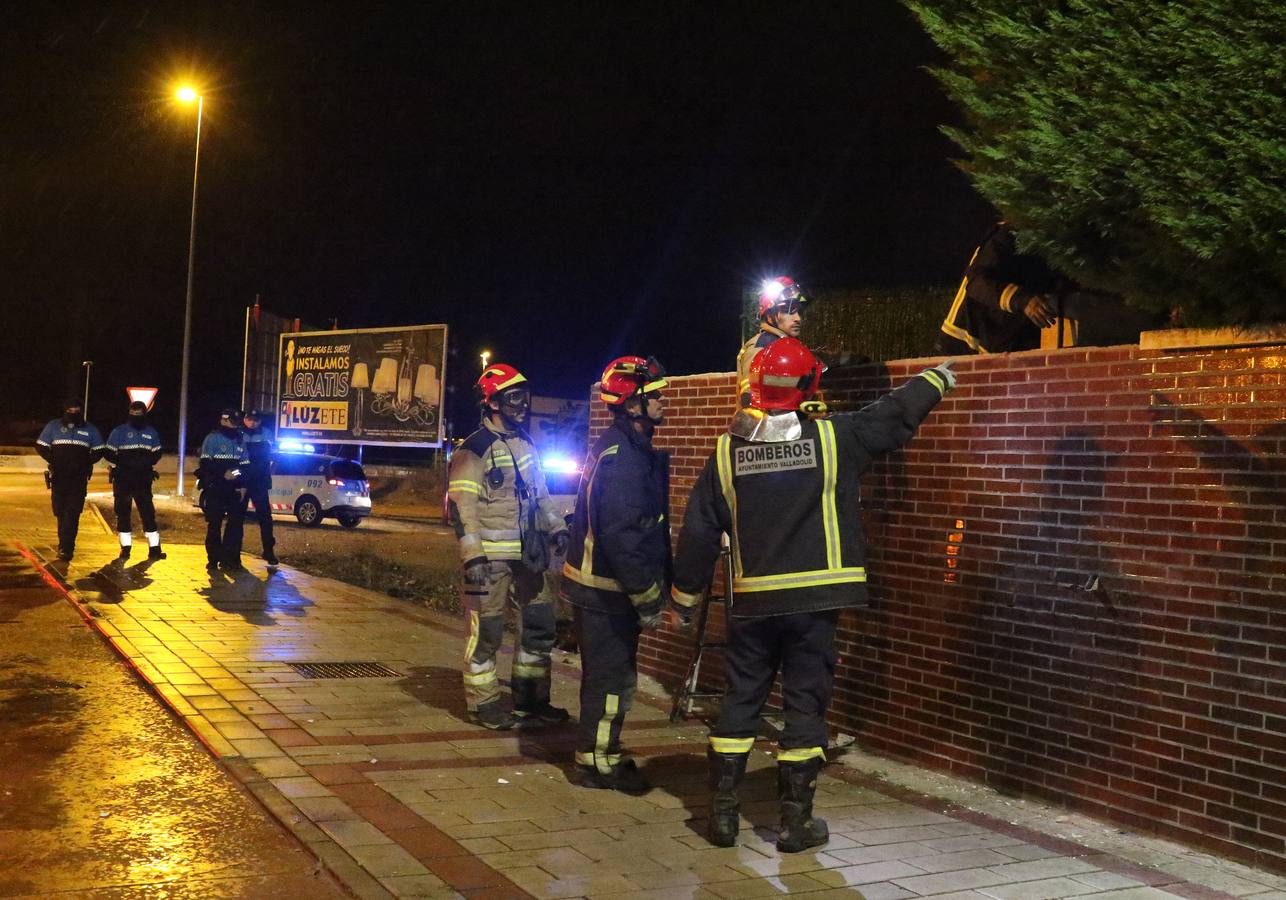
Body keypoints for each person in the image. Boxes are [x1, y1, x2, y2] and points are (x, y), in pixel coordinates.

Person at [671, 337, 956, 852]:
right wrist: (936, 379)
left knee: (740, 700)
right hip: (814, 605)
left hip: (753, 603)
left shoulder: (725, 451)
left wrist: (686, 598)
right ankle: (795, 823)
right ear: (808, 385)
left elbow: (696, 532)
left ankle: (722, 818)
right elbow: (891, 417)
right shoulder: (834, 439)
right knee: (805, 706)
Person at [561, 356, 671, 794]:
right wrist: (645, 593)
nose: (663, 401)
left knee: (611, 676)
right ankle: (596, 762)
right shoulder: (624, 456)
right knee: (611, 679)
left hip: (602, 588)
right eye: (655, 395)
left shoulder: (621, 446)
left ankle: (603, 750)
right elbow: (622, 533)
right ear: (631, 404)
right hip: (607, 591)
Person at [445, 364, 571, 730]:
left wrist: (558, 527)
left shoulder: (525, 443)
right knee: (486, 632)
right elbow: (461, 508)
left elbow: (541, 494)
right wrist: (473, 557)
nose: (522, 405)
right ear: (493, 402)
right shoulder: (473, 450)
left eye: (524, 397)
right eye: (513, 397)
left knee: (539, 625)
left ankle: (531, 700)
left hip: (528, 556)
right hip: (488, 562)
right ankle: (483, 705)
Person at [939, 221, 1072, 355]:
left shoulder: (1057, 248)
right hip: (964, 344)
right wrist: (1023, 300)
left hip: (1004, 347)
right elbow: (976, 282)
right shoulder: (1008, 234)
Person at [36, 399, 105, 561]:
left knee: (73, 513)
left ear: (80, 411)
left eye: (76, 410)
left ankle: (67, 548)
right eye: (70, 410)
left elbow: (99, 449)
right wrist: (55, 460)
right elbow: (40, 446)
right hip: (59, 477)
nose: (73, 413)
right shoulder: (53, 426)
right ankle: (63, 544)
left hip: (78, 478)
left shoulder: (90, 429)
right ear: (65, 410)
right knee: (60, 512)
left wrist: (85, 463)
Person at [104, 400, 165, 562]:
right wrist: (124, 464)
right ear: (129, 413)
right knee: (123, 513)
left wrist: (145, 464)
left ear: (144, 414)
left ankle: (155, 548)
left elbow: (157, 453)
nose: (136, 417)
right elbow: (108, 453)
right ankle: (125, 548)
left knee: (148, 513)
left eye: (139, 414)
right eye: (134, 414)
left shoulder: (151, 433)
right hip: (123, 479)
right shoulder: (119, 432)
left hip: (143, 480)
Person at [736, 276, 811, 407]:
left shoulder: (787, 346)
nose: (798, 318)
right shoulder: (761, 347)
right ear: (770, 315)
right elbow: (750, 399)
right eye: (790, 311)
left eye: (799, 312)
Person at [197, 408, 249, 573]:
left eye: (237, 424)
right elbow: (205, 464)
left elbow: (244, 466)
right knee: (214, 524)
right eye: (232, 423)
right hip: (215, 487)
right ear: (223, 420)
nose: (235, 427)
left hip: (233, 489)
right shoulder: (211, 439)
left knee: (235, 525)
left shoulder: (240, 440)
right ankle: (213, 559)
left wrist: (240, 483)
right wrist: (222, 473)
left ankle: (231, 559)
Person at [239, 409, 278, 566]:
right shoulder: (238, 433)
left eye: (255, 420)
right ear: (244, 419)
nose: (252, 422)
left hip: (259, 481)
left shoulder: (267, 434)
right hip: (242, 481)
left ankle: (268, 551)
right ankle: (233, 553)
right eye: (249, 419)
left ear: (260, 421)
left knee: (265, 518)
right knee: (237, 517)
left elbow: (271, 456)